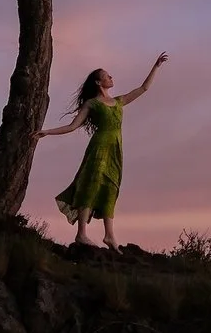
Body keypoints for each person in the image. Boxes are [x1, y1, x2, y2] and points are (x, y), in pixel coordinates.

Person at [41, 52, 168, 248]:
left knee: (111, 187)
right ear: (99, 83)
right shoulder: (92, 104)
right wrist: (47, 132)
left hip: (115, 150)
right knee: (91, 184)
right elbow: (72, 126)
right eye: (107, 76)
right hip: (99, 149)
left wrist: (156, 67)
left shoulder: (118, 101)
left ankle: (109, 235)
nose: (111, 77)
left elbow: (143, 88)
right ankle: (81, 234)